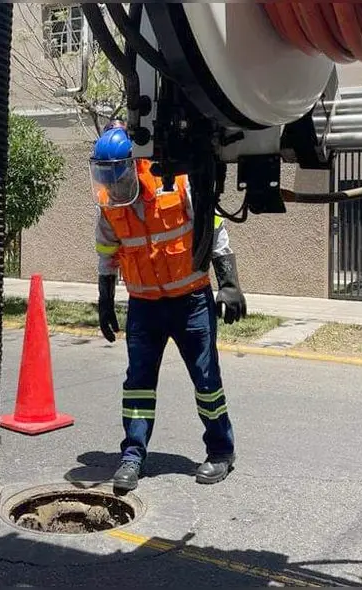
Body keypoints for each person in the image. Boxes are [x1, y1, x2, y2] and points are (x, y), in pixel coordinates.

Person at [91, 123, 248, 493]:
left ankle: (221, 452)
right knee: (138, 384)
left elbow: (214, 226)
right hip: (144, 306)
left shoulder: (174, 183)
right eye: (106, 178)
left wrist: (229, 283)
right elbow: (106, 254)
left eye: (117, 176)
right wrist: (104, 299)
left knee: (207, 381)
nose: (112, 185)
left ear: (133, 166)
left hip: (191, 300)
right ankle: (132, 456)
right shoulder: (110, 205)